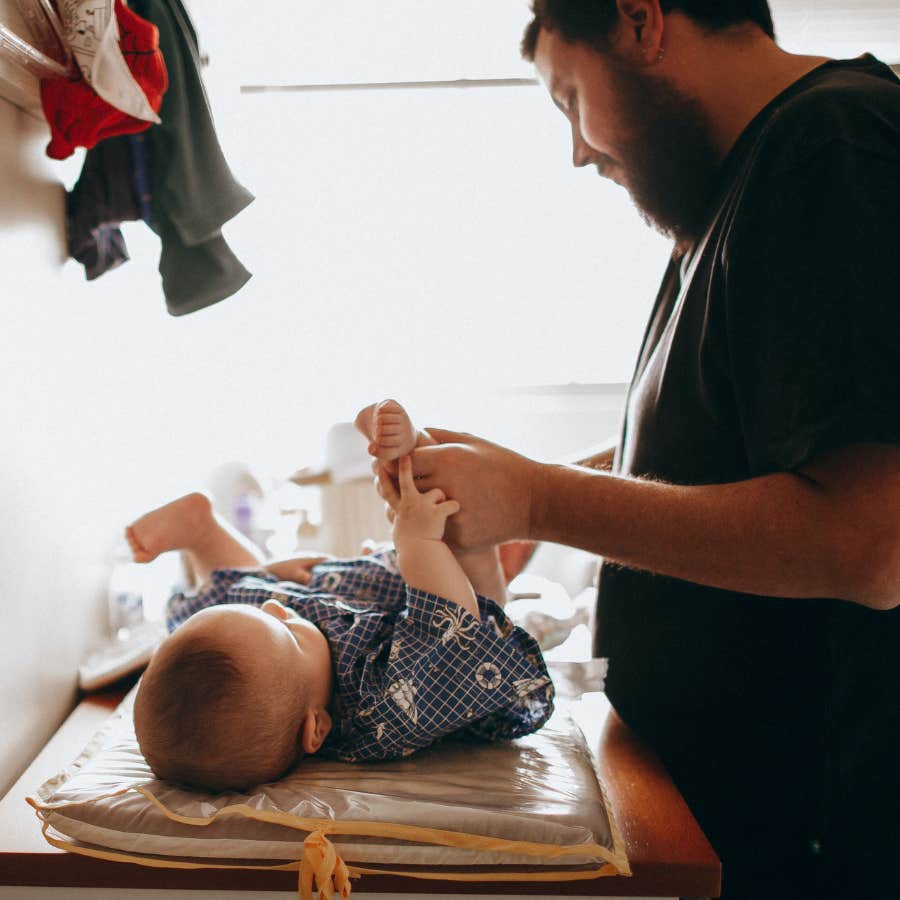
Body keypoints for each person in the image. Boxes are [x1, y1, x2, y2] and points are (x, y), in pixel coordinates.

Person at [372, 3, 900, 898]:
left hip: (813, 843)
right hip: (728, 822)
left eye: (569, 97)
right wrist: (515, 488)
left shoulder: (834, 145)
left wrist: (541, 499)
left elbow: (872, 541)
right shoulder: (729, 193)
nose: (579, 149)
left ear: (641, 21)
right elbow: (719, 455)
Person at [129, 399, 554, 793]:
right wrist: (418, 540)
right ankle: (417, 464)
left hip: (349, 593)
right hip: (442, 599)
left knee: (220, 617)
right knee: (475, 572)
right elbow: (451, 628)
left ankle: (203, 532)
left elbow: (262, 616)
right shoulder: (378, 707)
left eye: (269, 609)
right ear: (316, 728)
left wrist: (270, 578)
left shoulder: (286, 666)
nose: (278, 608)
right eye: (286, 630)